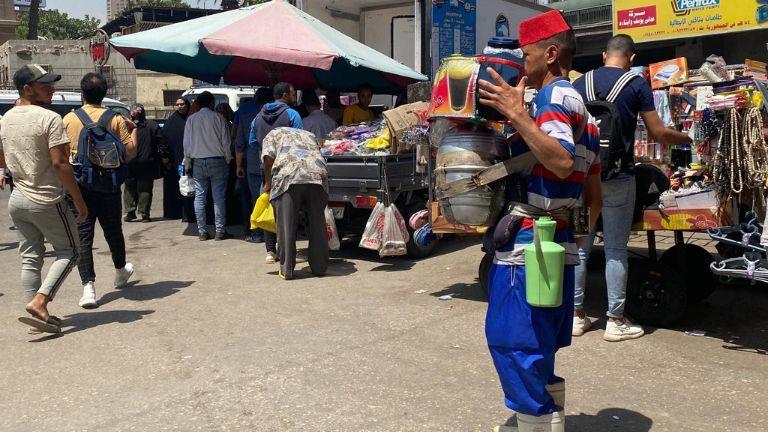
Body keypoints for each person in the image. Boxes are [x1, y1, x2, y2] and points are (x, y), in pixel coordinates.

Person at [477, 11, 602, 432]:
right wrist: (579, 236)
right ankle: (546, 418)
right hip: (558, 241)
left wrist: (517, 115)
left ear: (550, 54)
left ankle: (532, 422)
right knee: (539, 343)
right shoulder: (581, 107)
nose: (522, 64)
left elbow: (562, 161)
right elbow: (592, 186)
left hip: (530, 245)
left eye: (527, 54)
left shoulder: (551, 101)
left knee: (514, 341)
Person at [572, 34, 693, 342]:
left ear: (602, 56)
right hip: (617, 177)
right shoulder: (636, 83)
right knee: (614, 249)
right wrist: (685, 139)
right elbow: (659, 132)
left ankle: (575, 317)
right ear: (632, 57)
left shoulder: (578, 85)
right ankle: (614, 321)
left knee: (581, 248)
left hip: (582, 178)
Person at [0, 65, 87, 333]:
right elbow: (61, 164)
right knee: (71, 252)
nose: (52, 89)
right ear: (28, 89)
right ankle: (40, 302)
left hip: (18, 199)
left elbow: (1, 157)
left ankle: (36, 314)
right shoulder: (49, 119)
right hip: (46, 199)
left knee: (30, 257)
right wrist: (79, 201)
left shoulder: (5, 119)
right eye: (45, 85)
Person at [62, 72, 137, 309]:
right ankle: (119, 271)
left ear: (82, 93)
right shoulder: (114, 118)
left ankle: (88, 288)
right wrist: (134, 130)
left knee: (84, 237)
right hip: (109, 186)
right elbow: (129, 152)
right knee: (113, 231)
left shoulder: (69, 120)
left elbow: (63, 157)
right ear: (104, 94)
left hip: (80, 187)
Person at [262, 127, 329, 280]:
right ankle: (319, 267)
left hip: (289, 176)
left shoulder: (271, 135)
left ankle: (287, 270)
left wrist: (268, 182)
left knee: (287, 225)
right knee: (317, 222)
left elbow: (268, 159)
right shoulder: (308, 134)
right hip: (318, 175)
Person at [248, 82, 302, 264]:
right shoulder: (292, 114)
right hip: (288, 168)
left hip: (266, 169)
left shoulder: (257, 118)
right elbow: (300, 140)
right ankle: (284, 249)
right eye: (293, 93)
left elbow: (253, 142)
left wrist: (267, 149)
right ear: (286, 95)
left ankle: (270, 251)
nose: (294, 96)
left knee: (269, 206)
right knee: (288, 209)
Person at [183, 91, 233, 241]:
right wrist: (228, 159)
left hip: (198, 161)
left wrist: (188, 163)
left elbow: (187, 144)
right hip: (217, 160)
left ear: (197, 103)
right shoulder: (219, 118)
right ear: (212, 103)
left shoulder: (191, 120)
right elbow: (226, 141)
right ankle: (220, 231)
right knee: (218, 197)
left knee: (199, 197)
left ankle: (202, 231)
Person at [235, 88, 271, 242]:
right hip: (275, 162)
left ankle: (257, 234)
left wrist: (238, 166)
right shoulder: (282, 113)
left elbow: (240, 143)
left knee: (256, 199)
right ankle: (274, 234)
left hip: (253, 163)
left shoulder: (244, 112)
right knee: (274, 199)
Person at [123, 104, 167, 223]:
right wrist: (163, 157)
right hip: (146, 163)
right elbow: (161, 142)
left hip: (130, 162)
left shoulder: (126, 126)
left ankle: (130, 212)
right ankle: (144, 214)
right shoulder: (152, 125)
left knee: (130, 188)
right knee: (145, 189)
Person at [162, 97, 192, 221]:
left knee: (188, 187)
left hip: (188, 160)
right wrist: (166, 159)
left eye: (182, 104)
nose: (180, 106)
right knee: (178, 186)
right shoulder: (171, 122)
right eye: (177, 104)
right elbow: (163, 140)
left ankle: (187, 214)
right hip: (175, 162)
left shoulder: (191, 119)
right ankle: (174, 212)